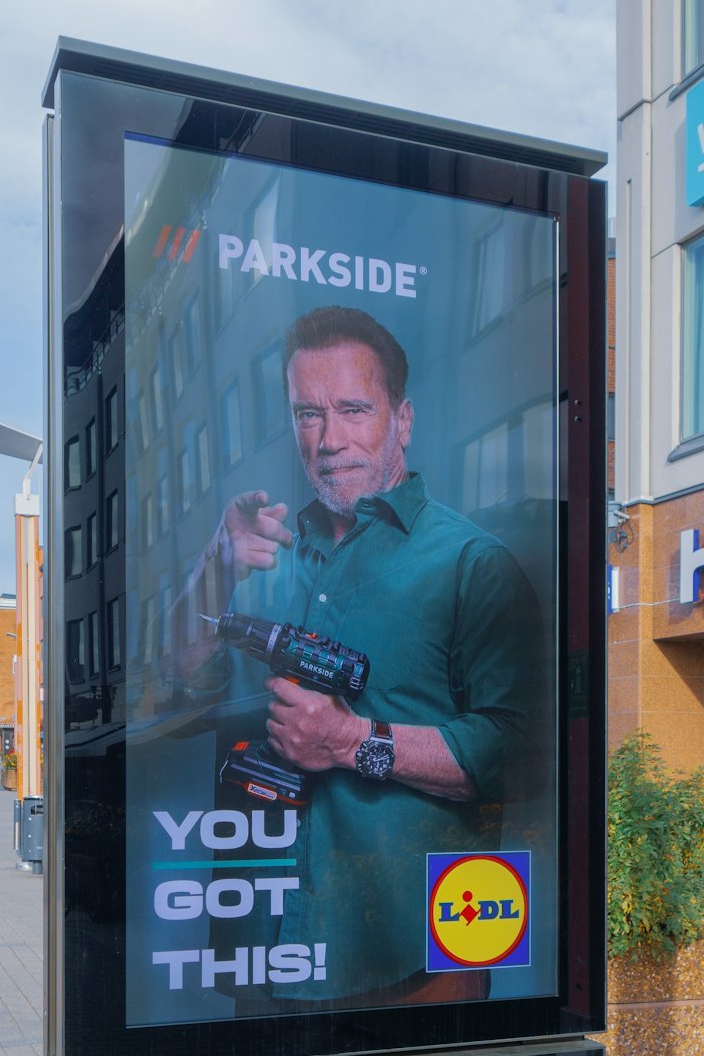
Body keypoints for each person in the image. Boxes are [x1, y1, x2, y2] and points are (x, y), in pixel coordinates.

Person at [175, 305, 544, 1010]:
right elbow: (180, 692)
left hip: (409, 967)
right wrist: (214, 567)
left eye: (352, 409)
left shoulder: (472, 565)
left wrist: (351, 741)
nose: (329, 439)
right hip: (267, 953)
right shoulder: (271, 560)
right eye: (308, 414)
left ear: (401, 421)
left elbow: (519, 758)